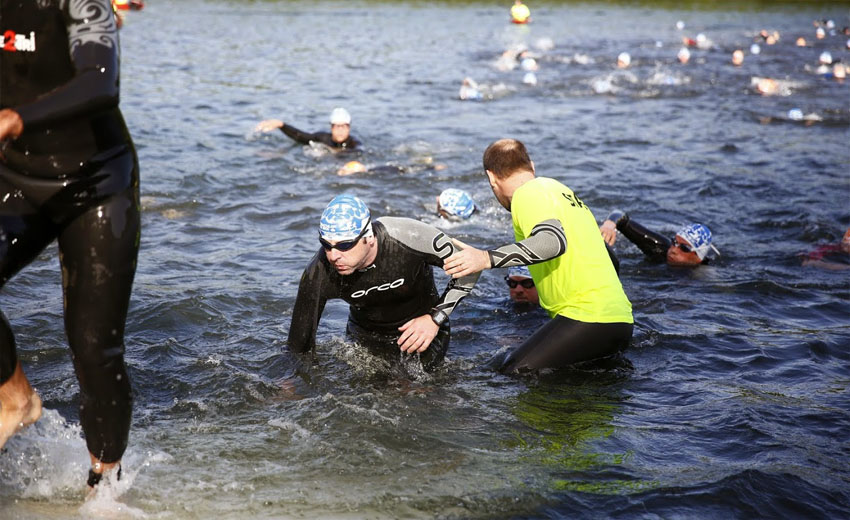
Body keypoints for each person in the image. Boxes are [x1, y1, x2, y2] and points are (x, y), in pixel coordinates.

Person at [0, 0, 140, 488]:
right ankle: (15, 397)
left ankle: (106, 486)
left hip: (96, 183)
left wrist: (14, 119)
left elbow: (101, 82)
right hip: (14, 176)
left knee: (94, 345)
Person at [443, 139, 633, 373]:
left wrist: (485, 258)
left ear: (491, 177)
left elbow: (552, 242)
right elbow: (610, 258)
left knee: (513, 372)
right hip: (620, 320)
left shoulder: (526, 194)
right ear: (531, 166)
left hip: (587, 318)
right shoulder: (563, 193)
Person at [287, 195, 481, 373]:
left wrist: (435, 318)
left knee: (414, 390)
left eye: (345, 245)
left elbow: (472, 268)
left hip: (423, 331)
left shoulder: (410, 237)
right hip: (364, 337)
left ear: (369, 237)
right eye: (326, 245)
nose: (333, 256)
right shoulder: (319, 273)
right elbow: (299, 347)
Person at [599, 210, 719, 266]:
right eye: (674, 242)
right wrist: (610, 224)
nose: (674, 250)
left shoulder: (702, 277)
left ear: (698, 257)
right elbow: (621, 216)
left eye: (684, 248)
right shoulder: (661, 248)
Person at [255, 107, 360, 150]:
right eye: (337, 126)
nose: (340, 131)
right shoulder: (322, 138)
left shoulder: (354, 145)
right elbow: (300, 136)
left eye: (344, 126)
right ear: (331, 128)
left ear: (349, 128)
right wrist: (281, 125)